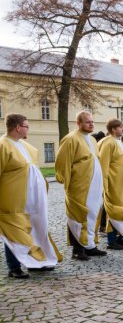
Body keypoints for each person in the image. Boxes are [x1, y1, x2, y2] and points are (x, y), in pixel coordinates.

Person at [1, 113, 62, 278]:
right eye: (27, 126)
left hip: (34, 200)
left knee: (36, 229)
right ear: (18, 127)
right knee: (15, 230)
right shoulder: (3, 145)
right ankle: (14, 267)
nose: (29, 129)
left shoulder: (25, 145)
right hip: (14, 201)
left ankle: (35, 261)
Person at [55, 111, 107, 261]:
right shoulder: (70, 139)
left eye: (92, 121)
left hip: (94, 185)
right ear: (78, 123)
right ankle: (78, 249)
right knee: (78, 215)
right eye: (87, 122)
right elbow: (62, 161)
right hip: (79, 185)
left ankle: (89, 245)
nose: (91, 124)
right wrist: (64, 180)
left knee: (92, 213)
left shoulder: (91, 139)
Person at [97, 118, 123, 250]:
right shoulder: (108, 143)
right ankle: (111, 240)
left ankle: (120, 237)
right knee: (114, 211)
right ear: (113, 129)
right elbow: (103, 164)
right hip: (114, 184)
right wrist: (104, 185)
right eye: (120, 127)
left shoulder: (118, 142)